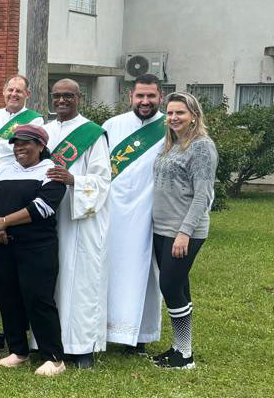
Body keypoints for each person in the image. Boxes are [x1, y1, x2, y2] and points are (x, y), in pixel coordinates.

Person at [0, 124, 67, 376]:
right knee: (7, 298)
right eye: (16, 144)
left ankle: (54, 358)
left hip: (36, 247)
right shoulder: (3, 170)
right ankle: (18, 351)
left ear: (41, 146)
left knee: (38, 299)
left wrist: (2, 222)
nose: (20, 148)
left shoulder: (52, 171)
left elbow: (43, 207)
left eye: (26, 143)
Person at [44, 79, 112, 368]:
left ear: (79, 98)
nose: (61, 100)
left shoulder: (93, 134)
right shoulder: (44, 131)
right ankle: (46, 342)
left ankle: (83, 347)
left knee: (81, 282)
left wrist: (74, 180)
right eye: (57, 96)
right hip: (48, 216)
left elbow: (103, 179)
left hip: (79, 218)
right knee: (48, 281)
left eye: (68, 96)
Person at [150, 92, 216, 370]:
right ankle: (179, 347)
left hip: (184, 231)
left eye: (180, 113)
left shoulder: (201, 147)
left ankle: (185, 355)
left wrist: (184, 232)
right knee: (178, 287)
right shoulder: (171, 144)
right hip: (162, 229)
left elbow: (203, 195)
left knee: (170, 286)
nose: (174, 118)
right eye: (170, 113)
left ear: (194, 116)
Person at [103, 74, 168, 352]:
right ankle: (106, 330)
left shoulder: (170, 126)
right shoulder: (111, 125)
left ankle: (139, 336)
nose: (145, 101)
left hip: (149, 214)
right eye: (140, 96)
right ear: (130, 96)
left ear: (160, 97)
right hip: (113, 213)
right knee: (110, 270)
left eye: (151, 96)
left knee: (145, 274)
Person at [0, 75, 45, 165]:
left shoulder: (35, 120)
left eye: (19, 91)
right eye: (10, 90)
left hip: (17, 172)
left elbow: (27, 149)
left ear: (27, 94)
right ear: (4, 92)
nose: (13, 94)